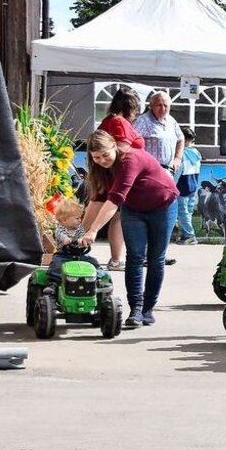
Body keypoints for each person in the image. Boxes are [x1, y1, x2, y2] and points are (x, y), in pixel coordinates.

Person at [79, 129, 179, 328]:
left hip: (163, 205)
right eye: (96, 157)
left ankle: (148, 309)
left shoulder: (129, 159)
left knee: (155, 258)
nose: (102, 160)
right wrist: (81, 231)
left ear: (114, 147)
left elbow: (115, 199)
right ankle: (135, 310)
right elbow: (98, 198)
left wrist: (94, 231)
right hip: (133, 210)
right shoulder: (99, 168)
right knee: (134, 256)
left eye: (105, 155)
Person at [96, 87, 145, 271]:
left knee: (111, 215)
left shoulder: (108, 121)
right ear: (131, 105)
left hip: (109, 176)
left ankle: (116, 257)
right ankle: (116, 259)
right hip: (121, 177)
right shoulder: (120, 122)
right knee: (118, 217)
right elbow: (123, 151)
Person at [134, 91, 184, 173]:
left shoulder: (171, 121)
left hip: (169, 170)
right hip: (149, 170)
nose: (163, 109)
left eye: (166, 105)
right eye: (159, 105)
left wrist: (177, 159)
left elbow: (181, 138)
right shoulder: (142, 120)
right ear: (151, 106)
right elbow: (132, 142)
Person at [48, 197, 97, 281]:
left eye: (80, 218)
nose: (80, 220)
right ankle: (53, 283)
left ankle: (98, 278)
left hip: (80, 254)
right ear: (64, 220)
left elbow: (82, 235)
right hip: (63, 255)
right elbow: (59, 235)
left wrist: (84, 240)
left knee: (93, 261)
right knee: (56, 264)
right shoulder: (60, 229)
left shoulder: (79, 228)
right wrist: (66, 239)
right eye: (77, 218)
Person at [173, 128, 202, 245]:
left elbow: (177, 171)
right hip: (193, 184)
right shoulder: (196, 153)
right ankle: (186, 235)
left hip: (182, 186)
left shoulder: (182, 154)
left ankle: (190, 235)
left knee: (182, 212)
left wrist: (171, 185)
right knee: (188, 212)